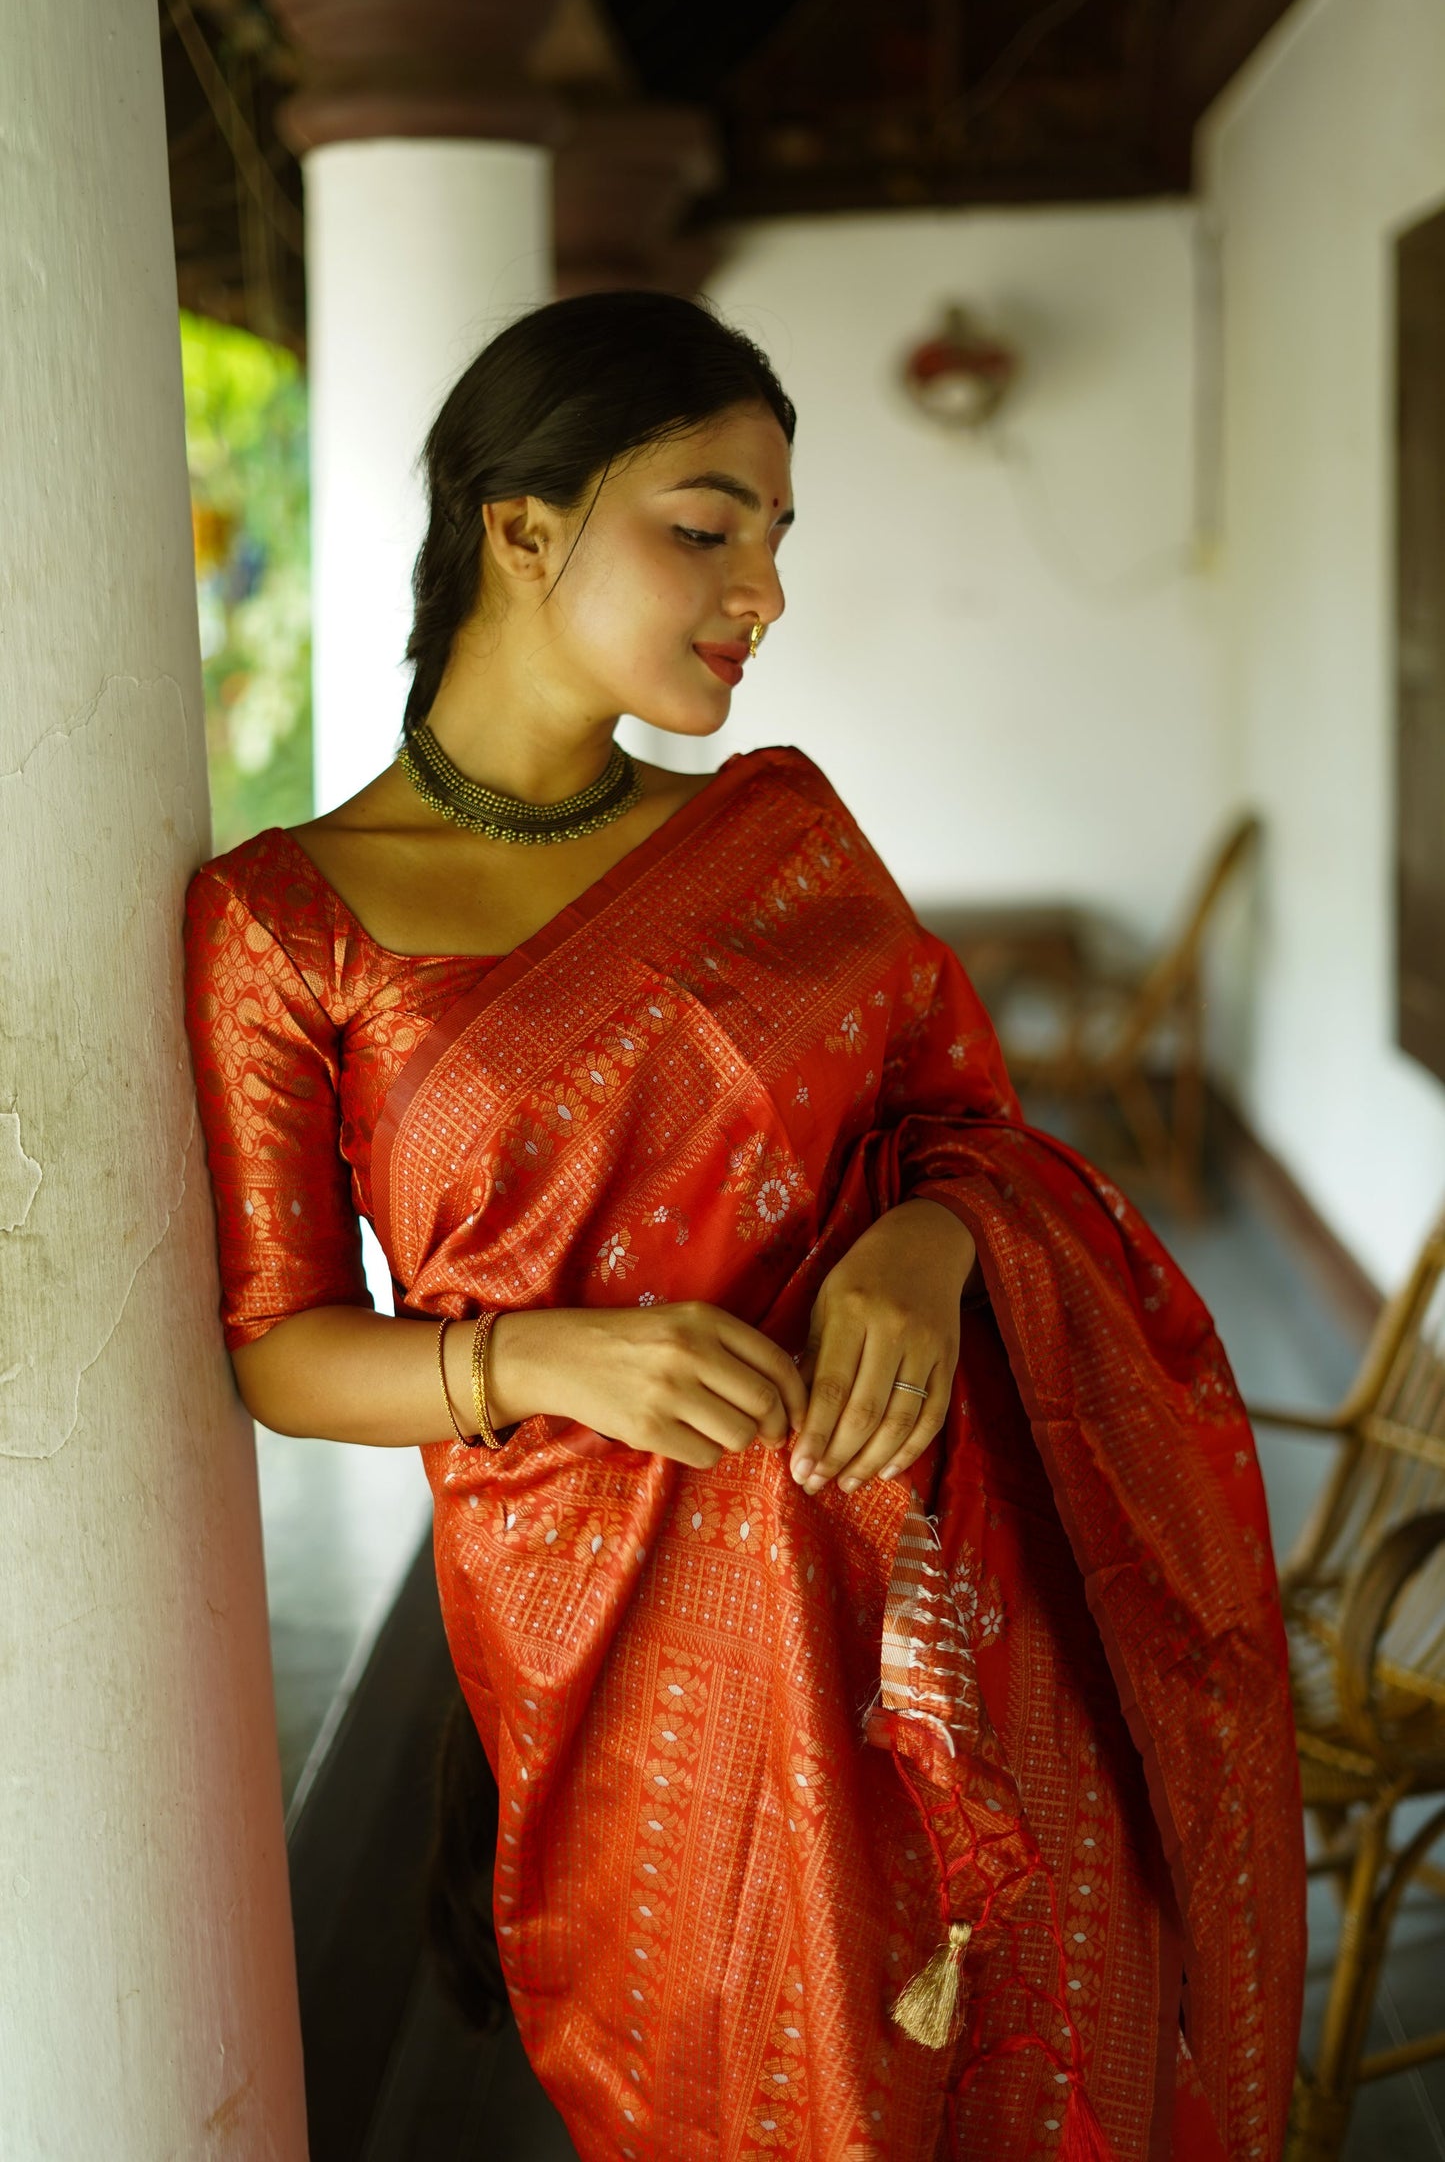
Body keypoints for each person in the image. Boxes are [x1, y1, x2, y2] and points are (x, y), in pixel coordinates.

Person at [183, 290, 1304, 2162]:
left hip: (962, 1579)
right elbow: (281, 1354)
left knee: (1049, 2056)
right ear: (517, 530)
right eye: (705, 525)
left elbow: (967, 1128)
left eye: (776, 540)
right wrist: (538, 1355)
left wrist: (926, 1251)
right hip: (618, 1654)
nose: (761, 589)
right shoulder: (288, 927)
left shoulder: (778, 834)